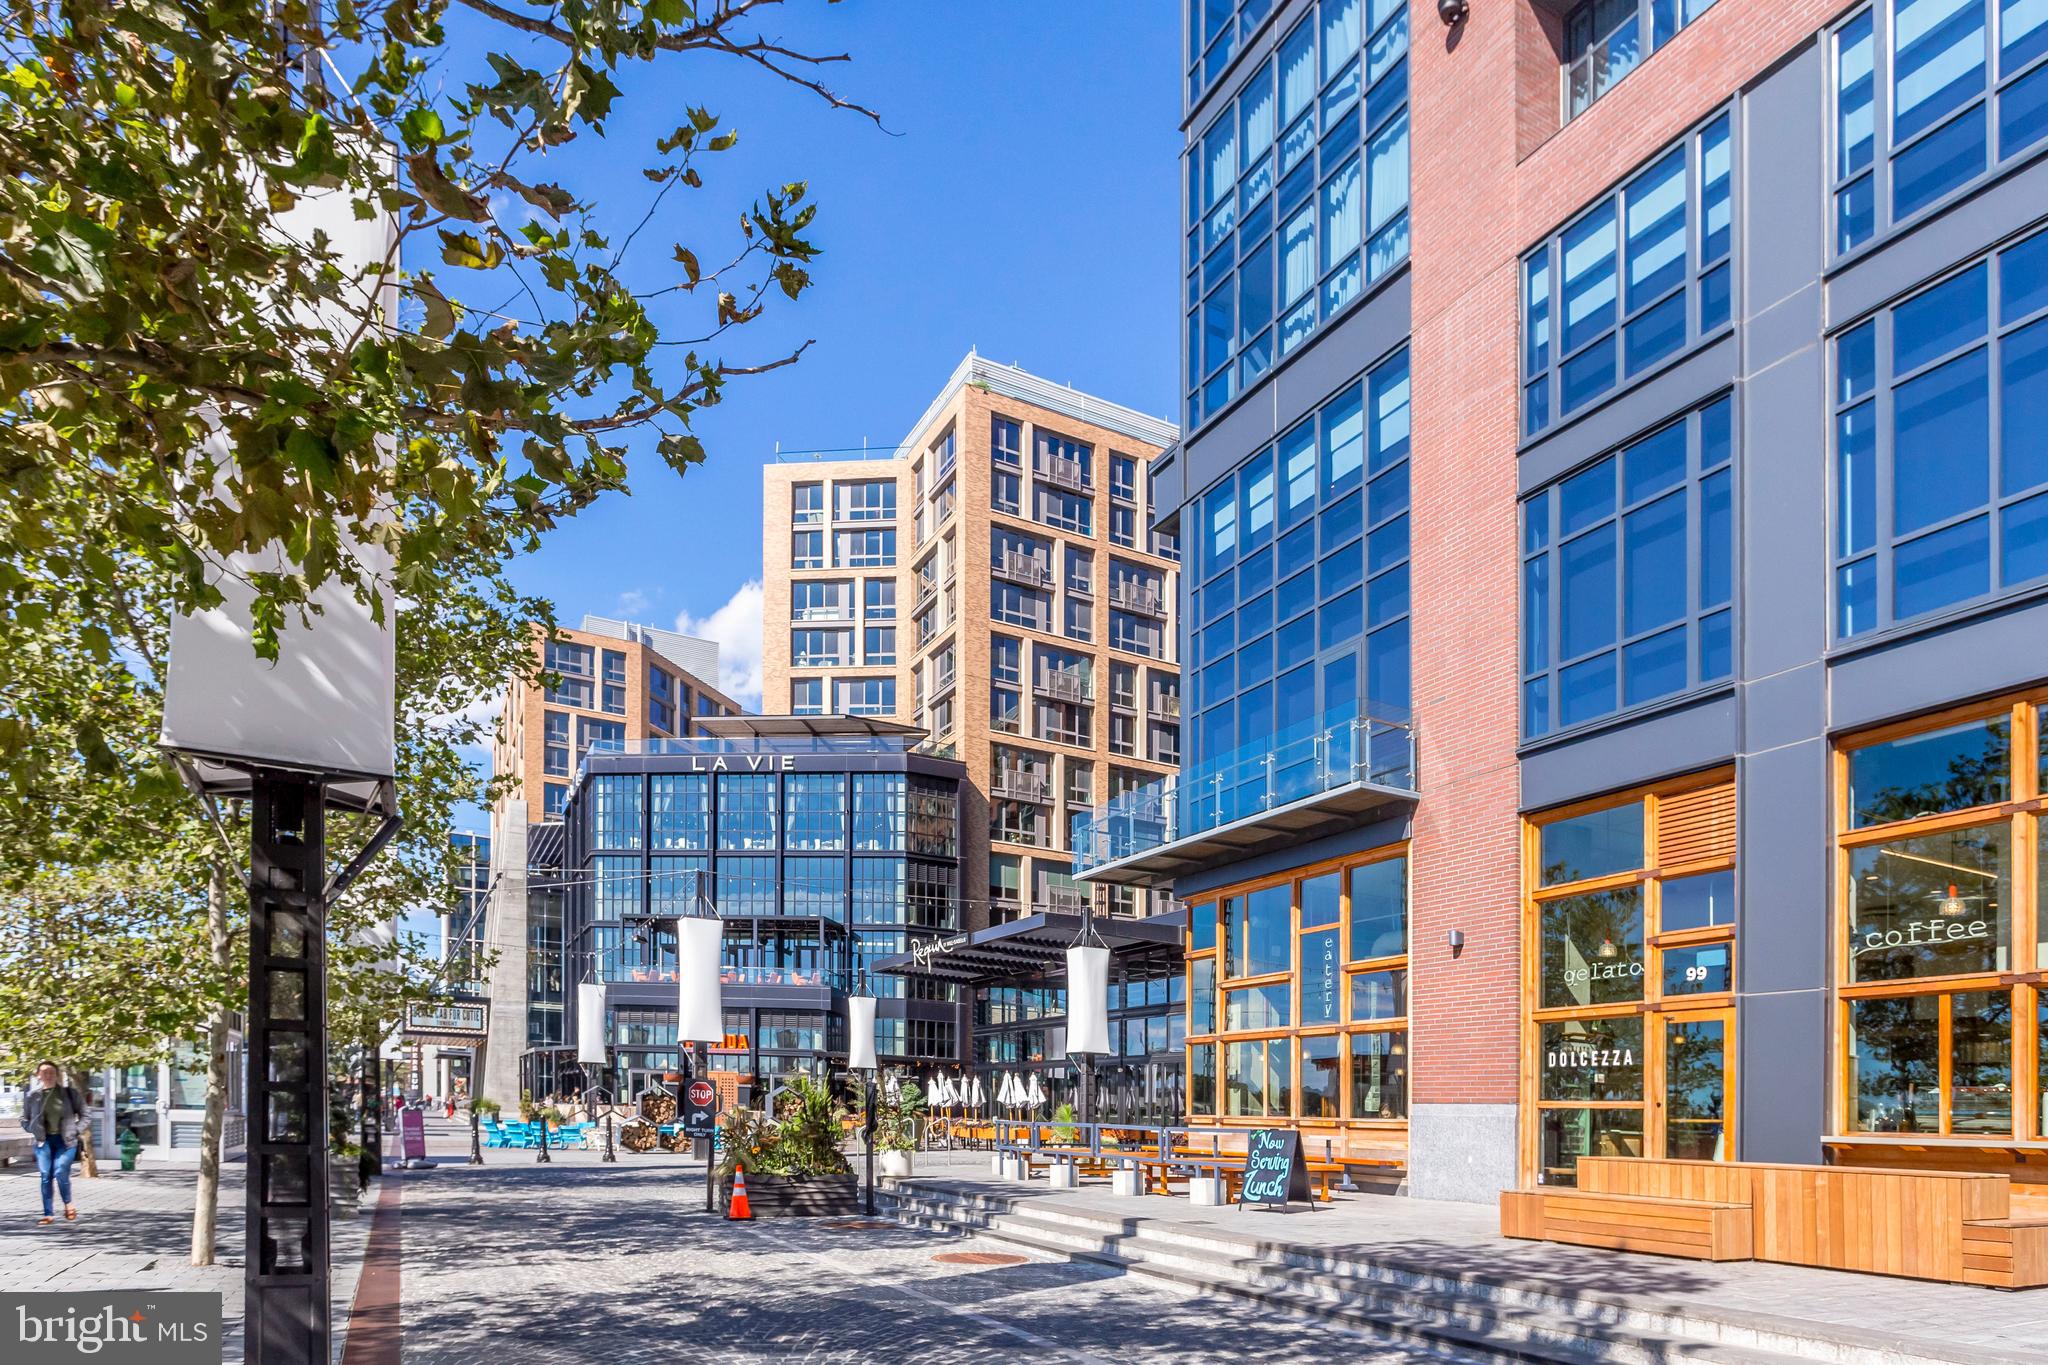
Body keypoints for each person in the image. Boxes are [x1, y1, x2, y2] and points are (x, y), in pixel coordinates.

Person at [18, 1062, 85, 1227]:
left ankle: (68, 1204)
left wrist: (76, 1130)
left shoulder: (69, 1093)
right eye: (44, 1072)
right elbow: (24, 1118)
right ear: (38, 1075)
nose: (48, 1075)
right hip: (43, 1141)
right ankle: (48, 1214)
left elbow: (86, 1114)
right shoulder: (32, 1096)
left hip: (65, 1141)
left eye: (51, 1072)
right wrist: (31, 1128)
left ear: (57, 1074)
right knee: (45, 1176)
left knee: (61, 1171)